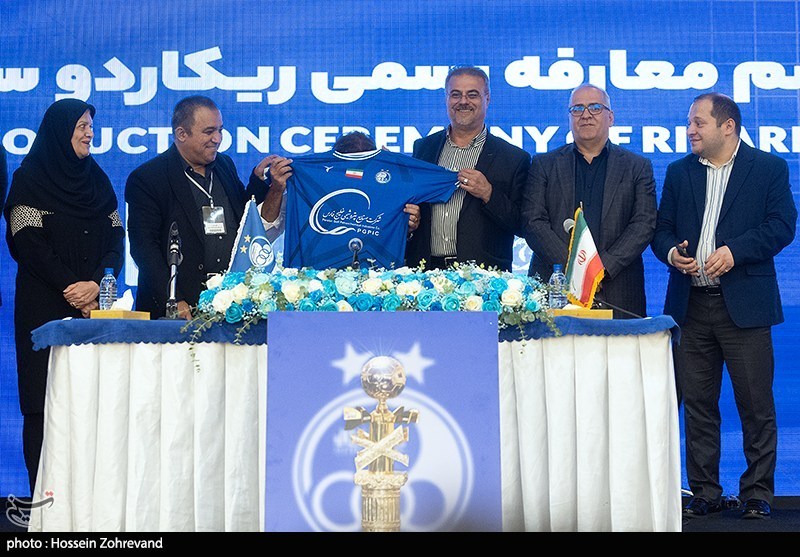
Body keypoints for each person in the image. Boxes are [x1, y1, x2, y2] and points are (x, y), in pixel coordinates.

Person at [652, 92, 797, 519]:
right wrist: (671, 254)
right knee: (698, 404)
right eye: (689, 123)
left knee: (755, 405)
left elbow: (782, 226)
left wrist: (735, 251)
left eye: (698, 123)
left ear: (727, 126)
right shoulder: (679, 172)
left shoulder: (768, 168)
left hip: (745, 307)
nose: (690, 130)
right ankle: (706, 491)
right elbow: (661, 230)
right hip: (691, 306)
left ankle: (757, 493)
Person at [3, 99, 125, 494]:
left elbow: (116, 237)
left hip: (93, 310)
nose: (90, 133)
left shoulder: (98, 180)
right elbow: (28, 243)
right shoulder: (29, 179)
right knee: (42, 403)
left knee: (89, 404)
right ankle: (44, 500)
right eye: (82, 126)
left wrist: (96, 284)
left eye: (91, 125)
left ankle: (87, 499)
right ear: (60, 131)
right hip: (44, 310)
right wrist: (71, 287)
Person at [125, 95, 276, 318]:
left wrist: (258, 182)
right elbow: (144, 248)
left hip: (230, 303)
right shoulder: (148, 178)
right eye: (209, 132)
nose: (217, 139)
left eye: (220, 130)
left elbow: (242, 217)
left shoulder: (224, 164)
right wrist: (173, 298)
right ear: (181, 134)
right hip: (180, 308)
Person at [522, 84, 656, 318]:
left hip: (618, 288)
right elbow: (532, 222)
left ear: (611, 117)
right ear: (569, 118)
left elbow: (644, 224)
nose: (585, 114)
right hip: (556, 287)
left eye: (595, 107)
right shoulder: (544, 164)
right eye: (577, 109)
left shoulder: (637, 166)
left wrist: (600, 269)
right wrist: (577, 269)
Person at [405, 65, 530, 271]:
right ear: (446, 99)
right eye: (456, 94)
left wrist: (489, 194)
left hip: (483, 277)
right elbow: (412, 206)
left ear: (487, 99)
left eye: (472, 95)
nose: (463, 101)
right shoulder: (423, 148)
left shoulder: (513, 158)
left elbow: (523, 225)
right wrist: (409, 221)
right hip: (423, 273)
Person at [268, 131, 445, 270]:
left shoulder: (397, 180)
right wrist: (276, 188)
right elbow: (266, 229)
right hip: (318, 286)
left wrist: (407, 226)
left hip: (378, 286)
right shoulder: (304, 176)